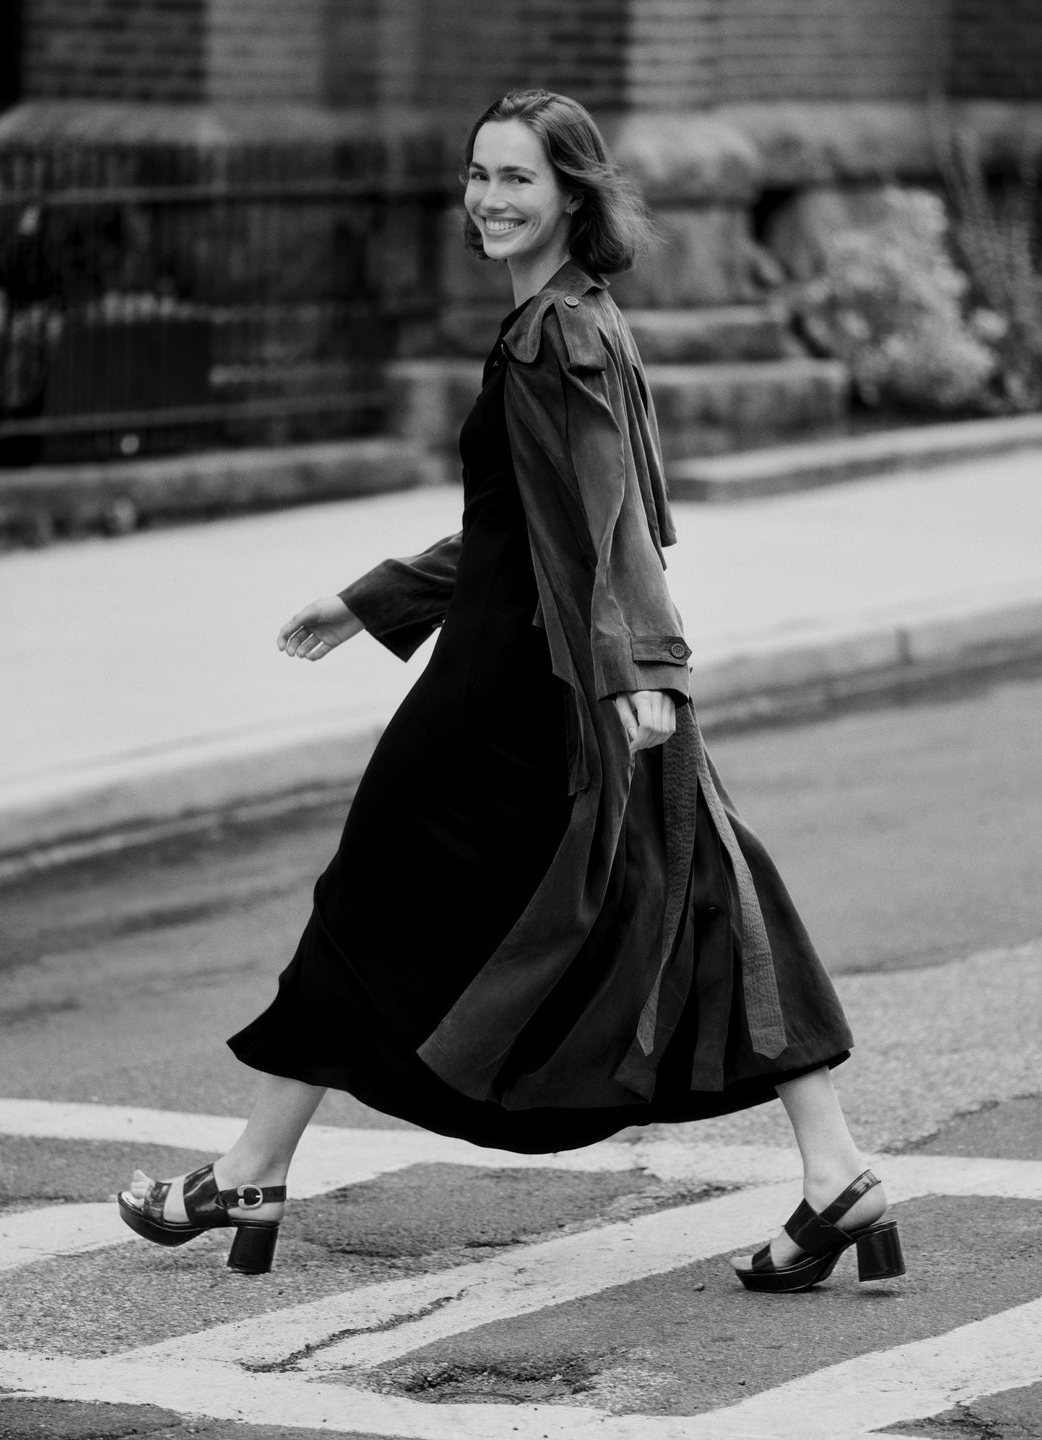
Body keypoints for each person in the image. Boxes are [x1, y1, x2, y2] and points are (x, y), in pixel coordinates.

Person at [118, 89, 905, 1293]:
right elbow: (525, 528)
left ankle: (251, 1172)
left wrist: (643, 672)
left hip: (518, 692)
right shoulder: (577, 318)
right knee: (706, 891)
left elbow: (612, 524)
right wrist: (379, 599)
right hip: (563, 671)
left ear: (572, 196)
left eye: (519, 179)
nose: (490, 198)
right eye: (479, 174)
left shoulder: (558, 336)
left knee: (371, 900)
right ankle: (835, 1171)